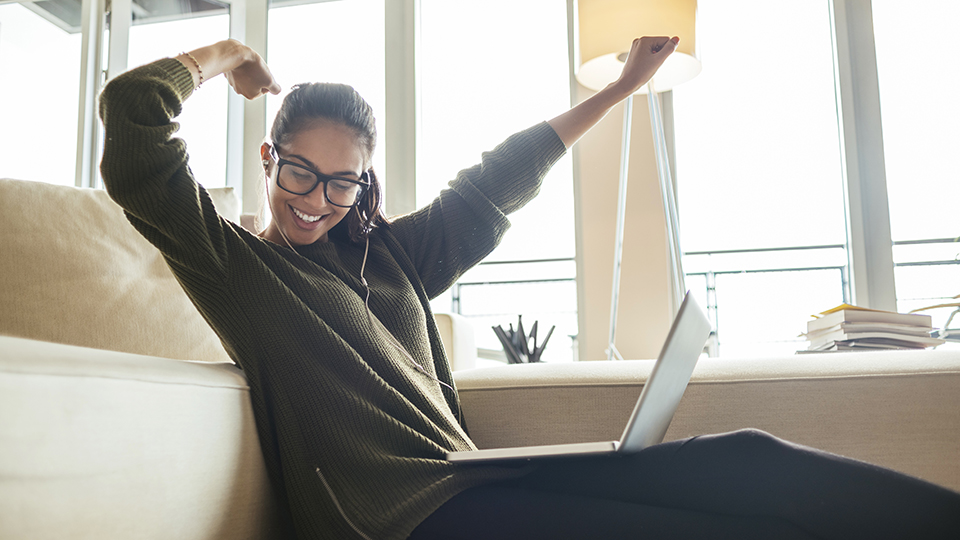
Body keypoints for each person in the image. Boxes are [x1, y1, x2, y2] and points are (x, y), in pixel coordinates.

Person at [98, 37, 960, 540]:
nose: (316, 200)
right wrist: (227, 57)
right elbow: (135, 116)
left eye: (343, 183)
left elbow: (498, 178)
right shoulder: (236, 267)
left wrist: (620, 91)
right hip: (407, 521)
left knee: (745, 457)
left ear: (366, 187)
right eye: (298, 172)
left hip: (476, 488)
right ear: (268, 158)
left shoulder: (390, 257)